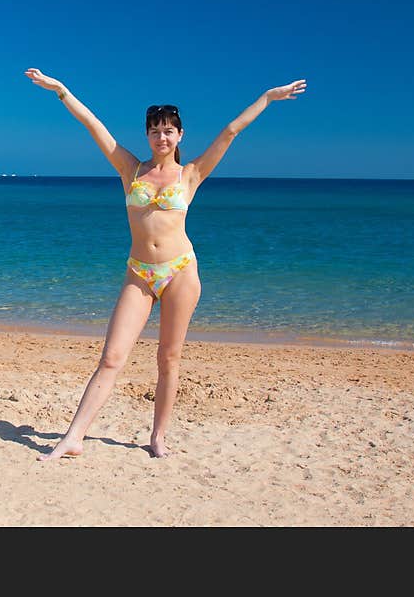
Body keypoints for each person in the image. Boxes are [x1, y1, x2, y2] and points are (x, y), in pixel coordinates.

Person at [25, 67, 306, 460]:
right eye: (155, 130)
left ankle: (158, 437)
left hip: (179, 272)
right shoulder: (130, 169)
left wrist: (267, 98)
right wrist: (61, 90)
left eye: (168, 130)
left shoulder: (191, 174)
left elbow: (229, 132)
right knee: (111, 357)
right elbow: (93, 124)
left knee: (168, 358)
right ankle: (73, 437)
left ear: (179, 135)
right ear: (147, 135)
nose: (161, 137)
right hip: (138, 272)